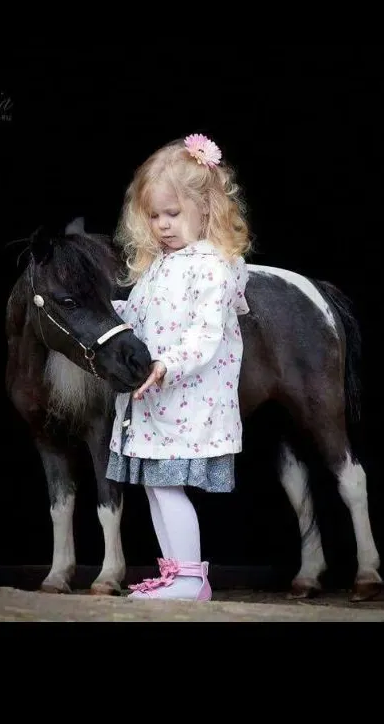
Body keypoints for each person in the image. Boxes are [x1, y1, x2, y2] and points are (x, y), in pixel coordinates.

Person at [106, 133, 252, 600]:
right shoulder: (158, 266)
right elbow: (143, 317)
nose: (163, 226)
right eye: (154, 216)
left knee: (169, 490)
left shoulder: (214, 265)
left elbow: (204, 335)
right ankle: (177, 575)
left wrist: (168, 363)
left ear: (206, 208)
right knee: (154, 489)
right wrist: (103, 316)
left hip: (187, 404)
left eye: (174, 213)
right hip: (152, 405)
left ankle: (191, 578)